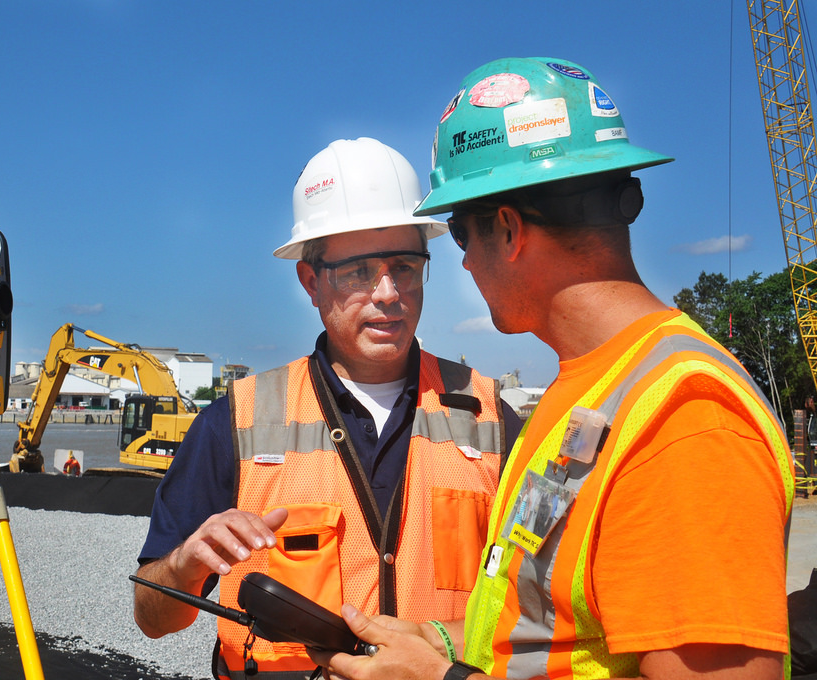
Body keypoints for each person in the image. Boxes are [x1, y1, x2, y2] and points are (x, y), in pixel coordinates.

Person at [309, 58, 796, 680]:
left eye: (460, 235)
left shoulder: (686, 425)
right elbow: (546, 624)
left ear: (508, 229)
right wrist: (439, 642)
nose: (460, 265)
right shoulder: (590, 393)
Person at [133, 137, 522, 679]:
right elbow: (152, 617)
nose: (388, 292)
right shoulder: (237, 422)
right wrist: (183, 566)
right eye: (360, 272)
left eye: (405, 266)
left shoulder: (492, 418)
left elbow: (537, 612)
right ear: (311, 281)